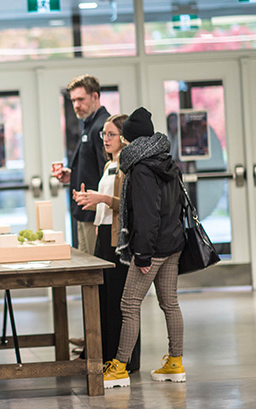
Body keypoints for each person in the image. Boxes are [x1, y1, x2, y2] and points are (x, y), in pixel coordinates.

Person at [101, 107, 186, 389]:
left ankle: (120, 368)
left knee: (129, 304)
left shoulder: (140, 169)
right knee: (170, 303)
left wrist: (143, 253)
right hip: (174, 243)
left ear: (129, 139)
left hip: (154, 248)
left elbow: (148, 215)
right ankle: (175, 363)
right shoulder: (166, 161)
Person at [74, 114, 141, 372]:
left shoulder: (128, 165)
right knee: (104, 298)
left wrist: (102, 198)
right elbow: (105, 201)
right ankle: (106, 355)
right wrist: (88, 198)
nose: (105, 139)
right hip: (103, 234)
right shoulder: (108, 165)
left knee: (119, 300)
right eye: (103, 134)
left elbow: (128, 204)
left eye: (111, 134)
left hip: (118, 239)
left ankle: (124, 360)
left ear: (124, 137)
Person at [52, 74, 110, 256]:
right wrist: (73, 175)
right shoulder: (89, 124)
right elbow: (92, 166)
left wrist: (101, 214)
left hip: (95, 214)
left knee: (95, 267)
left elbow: (108, 172)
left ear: (95, 96)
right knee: (86, 266)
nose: (76, 105)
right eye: (73, 100)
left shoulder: (103, 127)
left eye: (80, 99)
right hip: (84, 211)